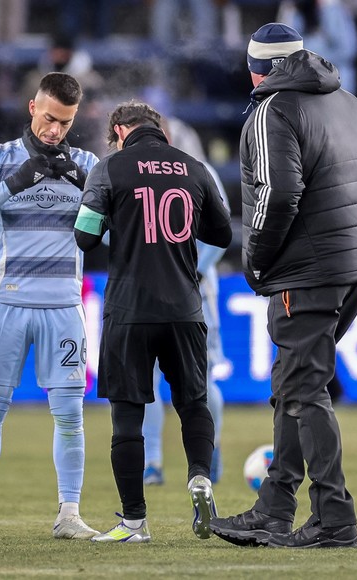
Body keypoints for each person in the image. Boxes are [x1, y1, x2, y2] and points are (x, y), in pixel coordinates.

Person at [208, 23, 357, 549]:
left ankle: (334, 517)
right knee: (293, 384)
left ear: (255, 68)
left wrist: (257, 262)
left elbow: (276, 193)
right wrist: (343, 231)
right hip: (353, 267)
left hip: (305, 272)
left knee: (303, 388)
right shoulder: (349, 102)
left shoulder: (271, 110)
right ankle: (275, 506)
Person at [74, 100, 232, 543]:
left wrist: (118, 217)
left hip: (129, 310)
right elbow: (222, 233)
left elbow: (85, 237)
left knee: (127, 418)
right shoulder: (194, 167)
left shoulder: (108, 169)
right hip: (184, 307)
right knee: (193, 403)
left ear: (121, 131)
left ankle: (134, 523)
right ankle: (200, 476)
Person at [0, 72, 99, 540]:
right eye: (50, 118)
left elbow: (113, 230)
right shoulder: (0, 159)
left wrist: (86, 186)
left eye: (66, 122)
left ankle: (69, 515)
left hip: (63, 306)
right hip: (8, 303)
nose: (56, 130)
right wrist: (14, 183)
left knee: (71, 416)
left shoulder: (89, 163)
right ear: (33, 107)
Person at [143, 132, 229, 486]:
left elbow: (221, 235)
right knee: (145, 381)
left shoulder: (200, 170)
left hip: (195, 294)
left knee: (201, 380)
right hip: (147, 293)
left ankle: (211, 448)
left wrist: (191, 270)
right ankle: (152, 462)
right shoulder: (133, 172)